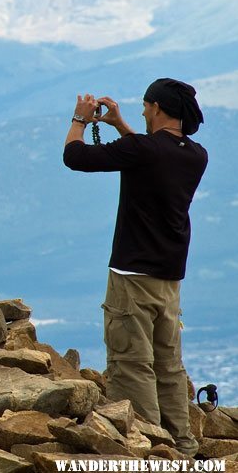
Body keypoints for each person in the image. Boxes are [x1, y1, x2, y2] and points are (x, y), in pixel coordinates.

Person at [62, 78, 207, 457]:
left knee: (132, 364)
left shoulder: (143, 149)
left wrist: (80, 119)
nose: (142, 112)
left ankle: (148, 449)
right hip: (169, 278)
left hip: (131, 276)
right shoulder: (195, 154)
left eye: (145, 106)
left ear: (157, 108)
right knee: (169, 365)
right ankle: (182, 447)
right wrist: (121, 126)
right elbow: (149, 152)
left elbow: (75, 157)